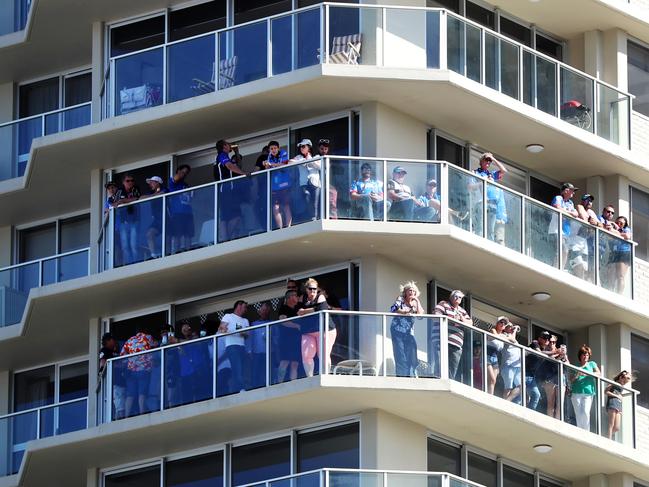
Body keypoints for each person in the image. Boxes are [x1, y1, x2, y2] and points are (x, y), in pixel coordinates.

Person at [297, 278, 337, 377]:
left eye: (315, 289)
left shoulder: (320, 296)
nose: (313, 291)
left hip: (325, 330)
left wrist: (305, 311)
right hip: (309, 331)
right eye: (310, 289)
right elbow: (297, 310)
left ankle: (326, 375)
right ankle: (310, 377)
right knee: (306, 355)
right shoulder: (303, 299)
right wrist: (301, 311)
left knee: (323, 354)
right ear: (306, 289)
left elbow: (321, 308)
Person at [433, 290, 472, 380]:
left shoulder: (462, 311)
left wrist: (461, 318)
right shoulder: (443, 304)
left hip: (456, 344)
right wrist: (453, 319)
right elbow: (436, 317)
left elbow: (470, 323)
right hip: (441, 340)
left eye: (460, 297)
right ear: (451, 297)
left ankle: (448, 383)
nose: (458, 298)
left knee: (452, 368)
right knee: (440, 366)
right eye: (456, 296)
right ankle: (438, 382)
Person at [215, 140, 248, 241]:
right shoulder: (222, 155)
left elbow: (237, 165)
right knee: (230, 216)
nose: (230, 146)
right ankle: (225, 238)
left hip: (229, 191)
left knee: (232, 216)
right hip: (225, 190)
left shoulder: (226, 156)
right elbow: (230, 166)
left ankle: (225, 238)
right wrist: (244, 173)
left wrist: (236, 152)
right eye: (228, 144)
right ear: (224, 146)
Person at [120, 325, 157, 417]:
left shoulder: (129, 340)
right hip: (144, 369)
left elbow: (122, 355)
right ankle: (142, 413)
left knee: (130, 394)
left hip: (131, 371)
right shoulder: (148, 337)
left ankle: (126, 415)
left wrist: (131, 361)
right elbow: (155, 347)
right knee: (142, 393)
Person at [389, 282, 424, 377]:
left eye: (413, 291)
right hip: (398, 330)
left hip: (408, 332)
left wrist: (417, 301)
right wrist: (404, 312)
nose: (411, 292)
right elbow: (393, 309)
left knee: (411, 353)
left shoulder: (415, 303)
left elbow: (420, 316)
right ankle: (402, 376)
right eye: (410, 290)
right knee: (400, 354)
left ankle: (409, 374)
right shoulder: (400, 299)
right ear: (405, 292)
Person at [474, 152, 508, 243]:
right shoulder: (475, 173)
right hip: (481, 203)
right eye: (486, 160)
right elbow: (470, 187)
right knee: (480, 228)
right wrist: (483, 181)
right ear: (481, 161)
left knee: (490, 230)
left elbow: (504, 171)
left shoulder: (491, 174)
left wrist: (493, 159)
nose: (488, 162)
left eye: (490, 161)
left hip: (492, 205)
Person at [218, 300, 250, 394]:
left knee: (242, 367)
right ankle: (240, 389)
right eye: (245, 307)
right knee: (237, 367)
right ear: (239, 306)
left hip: (242, 346)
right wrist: (225, 329)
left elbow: (247, 335)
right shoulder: (229, 316)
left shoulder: (245, 320)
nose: (246, 310)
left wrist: (242, 332)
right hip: (231, 346)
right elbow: (221, 328)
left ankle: (239, 388)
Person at [569, 344, 600, 431]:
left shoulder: (591, 364)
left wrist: (587, 374)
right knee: (578, 413)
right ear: (580, 355)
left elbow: (598, 373)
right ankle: (580, 430)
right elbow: (570, 379)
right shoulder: (575, 366)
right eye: (584, 354)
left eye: (587, 355)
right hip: (576, 392)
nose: (586, 356)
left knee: (586, 412)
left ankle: (586, 431)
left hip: (588, 392)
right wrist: (577, 375)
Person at [113, 173, 141, 265]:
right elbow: (115, 204)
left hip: (134, 221)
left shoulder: (135, 189)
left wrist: (123, 201)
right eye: (127, 181)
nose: (130, 182)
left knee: (134, 245)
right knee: (125, 246)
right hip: (123, 222)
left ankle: (136, 263)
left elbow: (137, 198)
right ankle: (128, 264)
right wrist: (122, 201)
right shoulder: (119, 191)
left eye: (132, 180)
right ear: (123, 182)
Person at [167, 165, 194, 254]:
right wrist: (180, 174)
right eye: (183, 172)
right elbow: (175, 178)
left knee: (188, 234)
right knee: (177, 234)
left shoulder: (185, 185)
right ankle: (176, 252)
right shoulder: (173, 182)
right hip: (177, 213)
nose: (184, 174)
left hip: (188, 213)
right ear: (178, 171)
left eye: (186, 173)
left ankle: (188, 250)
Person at [264, 141, 292, 229]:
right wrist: (266, 165)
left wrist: (271, 164)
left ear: (278, 148)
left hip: (285, 185)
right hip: (275, 187)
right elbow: (267, 169)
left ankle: (288, 227)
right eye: (271, 149)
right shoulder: (269, 157)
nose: (273, 150)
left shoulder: (283, 153)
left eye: (275, 148)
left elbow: (284, 164)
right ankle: (280, 228)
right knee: (275, 208)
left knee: (286, 206)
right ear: (269, 150)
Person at [277, 290, 303, 382]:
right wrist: (296, 325)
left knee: (295, 363)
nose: (297, 297)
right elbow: (283, 321)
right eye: (295, 295)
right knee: (285, 361)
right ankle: (279, 383)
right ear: (290, 297)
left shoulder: (298, 308)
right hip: (286, 340)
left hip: (297, 340)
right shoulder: (283, 308)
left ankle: (294, 383)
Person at [551, 183, 579, 267]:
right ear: (566, 190)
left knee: (565, 251)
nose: (573, 193)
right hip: (557, 230)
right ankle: (556, 268)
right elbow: (557, 207)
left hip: (566, 232)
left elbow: (576, 214)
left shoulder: (570, 203)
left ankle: (561, 268)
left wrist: (567, 212)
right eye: (572, 191)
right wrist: (570, 213)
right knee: (560, 250)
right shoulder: (558, 198)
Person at [292, 139, 321, 220]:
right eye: (301, 147)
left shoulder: (317, 157)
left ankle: (314, 218)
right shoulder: (299, 157)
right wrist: (301, 161)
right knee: (306, 196)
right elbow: (290, 162)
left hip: (315, 183)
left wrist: (309, 159)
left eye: (303, 146)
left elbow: (319, 166)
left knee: (315, 203)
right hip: (304, 183)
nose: (301, 148)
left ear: (309, 147)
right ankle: (309, 218)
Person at [99, 332, 125, 420]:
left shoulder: (114, 351)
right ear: (108, 340)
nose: (115, 342)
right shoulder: (104, 350)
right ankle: (119, 420)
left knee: (121, 399)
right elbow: (102, 363)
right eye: (113, 340)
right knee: (119, 400)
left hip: (121, 379)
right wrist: (102, 370)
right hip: (115, 381)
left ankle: (120, 417)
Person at [142, 176, 168, 259]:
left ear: (158, 183)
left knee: (168, 236)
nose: (150, 185)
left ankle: (169, 253)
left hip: (166, 217)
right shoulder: (152, 192)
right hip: (156, 219)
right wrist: (152, 195)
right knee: (149, 234)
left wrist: (152, 195)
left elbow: (163, 193)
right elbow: (141, 198)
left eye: (152, 182)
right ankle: (154, 255)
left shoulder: (165, 189)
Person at [525, 331, 551, 412]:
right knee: (534, 395)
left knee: (534, 396)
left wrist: (561, 354)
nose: (547, 340)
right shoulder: (535, 343)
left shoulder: (545, 349)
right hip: (525, 373)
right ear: (539, 338)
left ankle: (529, 412)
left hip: (532, 376)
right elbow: (539, 353)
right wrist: (555, 352)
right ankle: (529, 413)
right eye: (544, 338)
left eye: (548, 339)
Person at [248, 301, 272, 388]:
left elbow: (276, 338)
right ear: (259, 311)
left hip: (269, 352)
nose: (265, 312)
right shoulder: (254, 324)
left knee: (269, 371)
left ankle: (269, 386)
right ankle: (254, 388)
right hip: (257, 352)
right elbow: (250, 339)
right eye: (263, 310)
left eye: (267, 310)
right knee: (256, 371)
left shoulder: (272, 323)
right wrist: (250, 351)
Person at [606, 370, 633, 440]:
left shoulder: (621, 386)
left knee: (617, 427)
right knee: (611, 424)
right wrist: (617, 396)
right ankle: (608, 440)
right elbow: (606, 391)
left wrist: (620, 396)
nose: (625, 382)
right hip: (612, 402)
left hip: (618, 404)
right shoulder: (613, 383)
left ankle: (607, 437)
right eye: (625, 379)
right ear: (621, 377)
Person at [500, 322, 522, 403]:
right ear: (505, 328)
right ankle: (506, 403)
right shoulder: (503, 335)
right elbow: (512, 339)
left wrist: (514, 330)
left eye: (512, 327)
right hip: (508, 365)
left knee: (521, 386)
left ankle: (507, 401)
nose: (511, 328)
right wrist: (515, 329)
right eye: (509, 326)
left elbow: (513, 339)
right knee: (508, 387)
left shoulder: (512, 337)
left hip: (517, 365)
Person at [486, 317, 508, 395]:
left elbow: (514, 340)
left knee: (493, 380)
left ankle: (490, 395)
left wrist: (513, 331)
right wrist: (504, 337)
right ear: (497, 323)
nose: (503, 324)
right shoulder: (493, 330)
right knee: (492, 379)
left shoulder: (503, 335)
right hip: (487, 355)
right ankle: (488, 394)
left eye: (505, 323)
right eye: (501, 322)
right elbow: (495, 335)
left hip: (495, 358)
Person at [612, 216, 632, 294]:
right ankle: (613, 291)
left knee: (620, 276)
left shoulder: (626, 229)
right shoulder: (615, 229)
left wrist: (616, 230)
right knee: (614, 275)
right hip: (615, 252)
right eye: (617, 222)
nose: (619, 224)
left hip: (624, 252)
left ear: (625, 224)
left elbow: (627, 236)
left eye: (621, 223)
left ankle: (619, 294)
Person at [318, 139, 337, 219]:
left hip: (328, 184)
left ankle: (333, 216)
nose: (324, 151)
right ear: (318, 149)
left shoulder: (330, 159)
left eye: (326, 149)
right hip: (319, 184)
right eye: (322, 149)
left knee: (332, 197)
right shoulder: (317, 158)